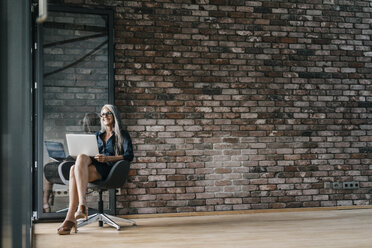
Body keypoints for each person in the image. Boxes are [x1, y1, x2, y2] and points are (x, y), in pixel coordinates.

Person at [57, 104, 134, 235]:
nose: (105, 116)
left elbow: (129, 155)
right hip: (94, 166)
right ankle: (81, 207)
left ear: (114, 116)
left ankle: (71, 217)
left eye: (108, 113)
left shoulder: (122, 135)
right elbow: (90, 153)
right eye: (103, 114)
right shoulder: (97, 135)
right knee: (77, 162)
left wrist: (108, 159)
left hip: (110, 170)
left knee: (73, 170)